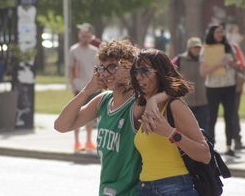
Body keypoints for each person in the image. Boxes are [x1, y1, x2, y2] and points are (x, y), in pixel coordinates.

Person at [55, 40, 168, 195]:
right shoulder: (103, 100)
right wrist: (86, 91)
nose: (106, 73)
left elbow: (167, 87)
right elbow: (61, 126)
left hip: (131, 192)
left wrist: (134, 77)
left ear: (130, 68)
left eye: (113, 67)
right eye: (102, 68)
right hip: (106, 190)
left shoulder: (138, 103)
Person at [130, 49, 210, 196]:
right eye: (136, 71)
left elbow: (205, 155)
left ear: (160, 73)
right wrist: (154, 99)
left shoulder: (175, 106)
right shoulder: (142, 108)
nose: (139, 77)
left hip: (174, 188)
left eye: (145, 71)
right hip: (145, 188)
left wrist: (170, 133)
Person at [200, 24, 240, 156]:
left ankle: (229, 146)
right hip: (213, 88)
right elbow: (203, 72)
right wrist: (218, 64)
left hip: (229, 86)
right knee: (212, 117)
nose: (220, 35)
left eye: (221, 32)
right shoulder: (205, 49)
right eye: (217, 32)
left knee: (230, 116)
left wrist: (231, 64)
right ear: (211, 34)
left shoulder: (229, 48)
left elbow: (238, 65)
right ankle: (212, 146)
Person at [68, 23, 99, 152]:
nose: (85, 38)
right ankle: (76, 142)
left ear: (91, 36)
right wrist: (72, 84)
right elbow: (70, 69)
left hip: (92, 87)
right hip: (79, 87)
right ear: (79, 36)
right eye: (83, 35)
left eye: (87, 36)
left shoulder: (95, 51)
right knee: (77, 114)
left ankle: (89, 141)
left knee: (90, 115)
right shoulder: (73, 50)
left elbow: (98, 69)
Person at [172, 37, 209, 131]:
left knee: (205, 128)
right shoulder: (180, 59)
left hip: (203, 101)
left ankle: (207, 145)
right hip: (186, 102)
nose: (197, 49)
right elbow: (170, 74)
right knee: (187, 129)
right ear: (189, 48)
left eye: (199, 47)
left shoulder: (205, 60)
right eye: (194, 47)